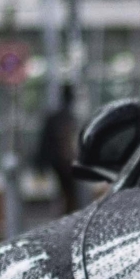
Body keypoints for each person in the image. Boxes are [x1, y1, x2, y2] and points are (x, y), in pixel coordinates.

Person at [34, 83, 81, 215]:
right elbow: (63, 140)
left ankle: (67, 214)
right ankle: (67, 215)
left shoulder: (56, 116)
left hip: (57, 160)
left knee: (67, 192)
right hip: (61, 161)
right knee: (69, 192)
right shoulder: (64, 117)